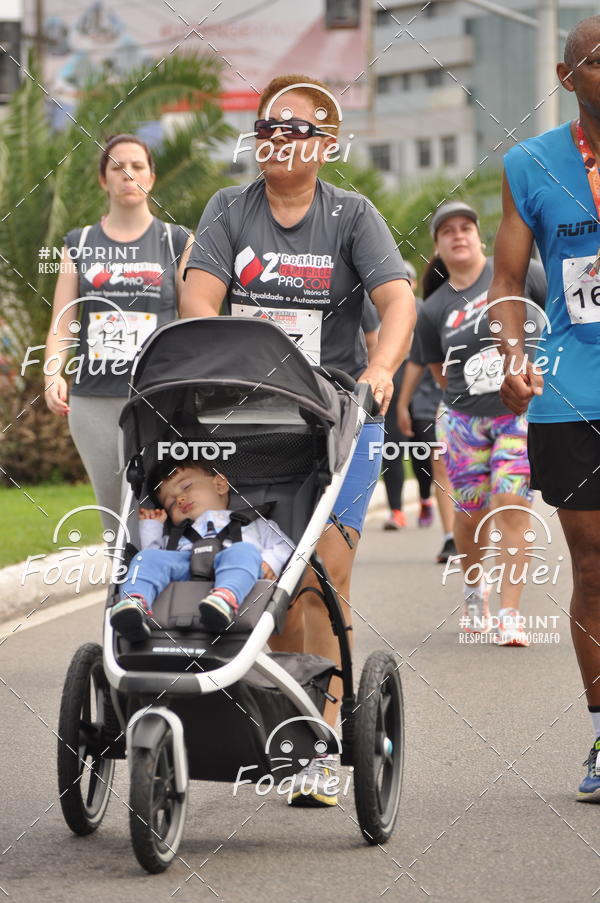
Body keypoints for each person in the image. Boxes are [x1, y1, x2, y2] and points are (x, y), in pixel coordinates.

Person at [181, 74, 416, 805]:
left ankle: (317, 735)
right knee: (261, 578)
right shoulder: (228, 209)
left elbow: (398, 298)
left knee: (318, 577)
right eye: (267, 125)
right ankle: (276, 727)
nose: (277, 137)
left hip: (339, 420)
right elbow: (198, 295)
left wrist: (380, 369)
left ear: (325, 143)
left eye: (295, 126)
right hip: (249, 421)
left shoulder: (352, 215)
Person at [487, 16, 600, 799]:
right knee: (594, 565)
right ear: (568, 78)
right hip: (572, 391)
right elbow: (506, 282)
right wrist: (513, 353)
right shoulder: (529, 163)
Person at [412, 200, 546, 644]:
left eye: (466, 227)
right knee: (470, 517)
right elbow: (439, 373)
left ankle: (510, 613)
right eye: (447, 230)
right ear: (438, 247)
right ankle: (474, 592)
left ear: (480, 237)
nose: (458, 235)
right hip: (464, 422)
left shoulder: (519, 276)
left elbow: (552, 319)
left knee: (510, 505)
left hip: (517, 416)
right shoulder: (432, 311)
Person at [44, 134, 192, 530]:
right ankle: (122, 591)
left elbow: (195, 318)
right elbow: (63, 321)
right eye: (117, 168)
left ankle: (156, 588)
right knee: (116, 520)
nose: (129, 176)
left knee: (160, 512)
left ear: (152, 177)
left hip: (159, 399)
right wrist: (52, 373)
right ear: (103, 180)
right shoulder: (80, 244)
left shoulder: (175, 241)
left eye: (138, 166)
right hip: (94, 402)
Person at [110, 458, 292, 640]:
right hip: (186, 567)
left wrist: (270, 562)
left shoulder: (255, 523)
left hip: (238, 567)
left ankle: (225, 599)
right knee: (147, 557)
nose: (179, 499)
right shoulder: (176, 536)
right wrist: (152, 527)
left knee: (245, 551)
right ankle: (135, 604)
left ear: (220, 485)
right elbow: (155, 561)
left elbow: (286, 546)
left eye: (186, 486)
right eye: (171, 503)